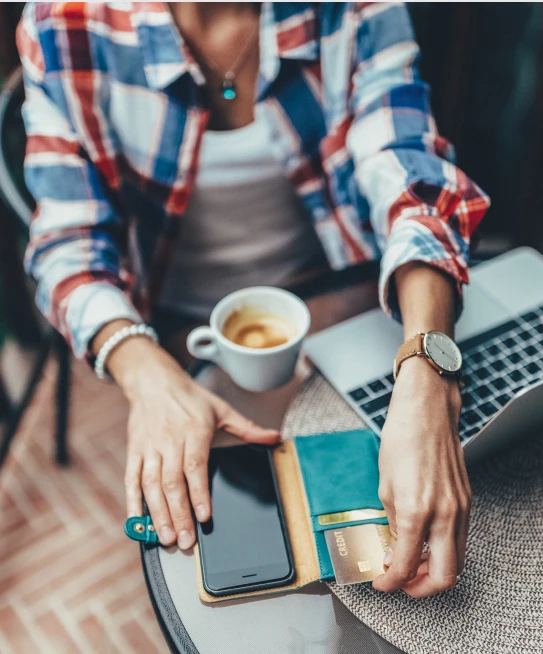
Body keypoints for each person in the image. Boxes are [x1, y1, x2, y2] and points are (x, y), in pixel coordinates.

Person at [17, 2, 489, 599]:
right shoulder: (64, 25)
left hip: (345, 291)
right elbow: (68, 246)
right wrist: (145, 372)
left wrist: (427, 370)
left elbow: (410, 176)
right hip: (175, 326)